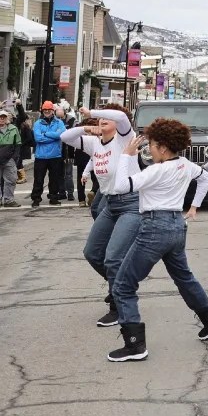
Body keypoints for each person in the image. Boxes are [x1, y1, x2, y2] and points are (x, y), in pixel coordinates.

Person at [106, 119, 208, 362]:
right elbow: (206, 178)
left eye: (150, 145)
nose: (148, 149)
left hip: (154, 228)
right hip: (175, 225)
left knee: (123, 285)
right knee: (184, 277)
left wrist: (127, 156)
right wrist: (194, 206)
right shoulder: (184, 165)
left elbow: (119, 186)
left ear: (162, 147)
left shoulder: (157, 170)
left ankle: (134, 345)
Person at [66, 105, 139, 326]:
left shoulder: (125, 138)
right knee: (92, 253)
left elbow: (120, 116)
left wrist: (92, 112)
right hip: (109, 202)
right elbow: (65, 136)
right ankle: (121, 285)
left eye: (108, 117)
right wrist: (88, 127)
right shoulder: (95, 143)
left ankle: (117, 306)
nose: (103, 120)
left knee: (113, 257)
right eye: (101, 119)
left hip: (132, 204)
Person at [30, 101, 66, 206]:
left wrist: (45, 134)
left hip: (55, 155)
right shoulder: (37, 123)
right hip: (41, 156)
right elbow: (38, 138)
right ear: (42, 110)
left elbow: (61, 135)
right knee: (38, 179)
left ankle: (53, 197)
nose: (46, 111)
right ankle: (36, 198)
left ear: (52, 111)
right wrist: (54, 136)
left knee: (54, 179)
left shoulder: (59, 122)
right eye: (45, 110)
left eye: (49, 110)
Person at [0, 111, 20, 207]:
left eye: (3, 117)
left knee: (11, 180)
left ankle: (9, 200)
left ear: (6, 118)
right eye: (0, 117)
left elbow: (18, 144)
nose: (2, 119)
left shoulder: (13, 129)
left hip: (9, 160)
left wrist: (14, 158)